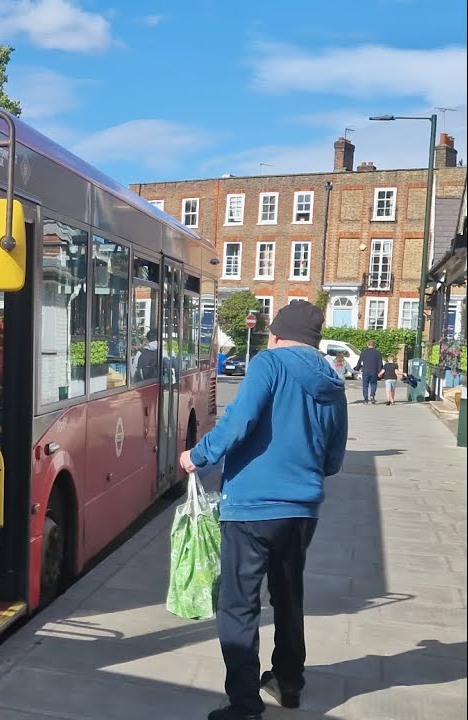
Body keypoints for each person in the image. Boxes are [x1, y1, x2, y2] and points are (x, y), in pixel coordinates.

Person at [178, 300, 348, 720]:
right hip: (302, 509)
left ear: (274, 334)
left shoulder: (268, 364)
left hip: (253, 507)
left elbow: (238, 422)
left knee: (239, 604)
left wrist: (198, 456)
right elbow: (334, 459)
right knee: (289, 595)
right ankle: (289, 683)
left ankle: (245, 704)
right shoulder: (333, 379)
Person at [354, 339, 383, 404]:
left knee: (365, 385)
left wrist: (356, 370)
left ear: (367, 345)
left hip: (365, 370)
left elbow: (359, 362)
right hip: (374, 371)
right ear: (374, 345)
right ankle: (372, 395)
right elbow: (380, 363)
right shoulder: (377, 352)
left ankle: (365, 399)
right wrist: (380, 371)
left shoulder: (364, 352)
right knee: (373, 384)